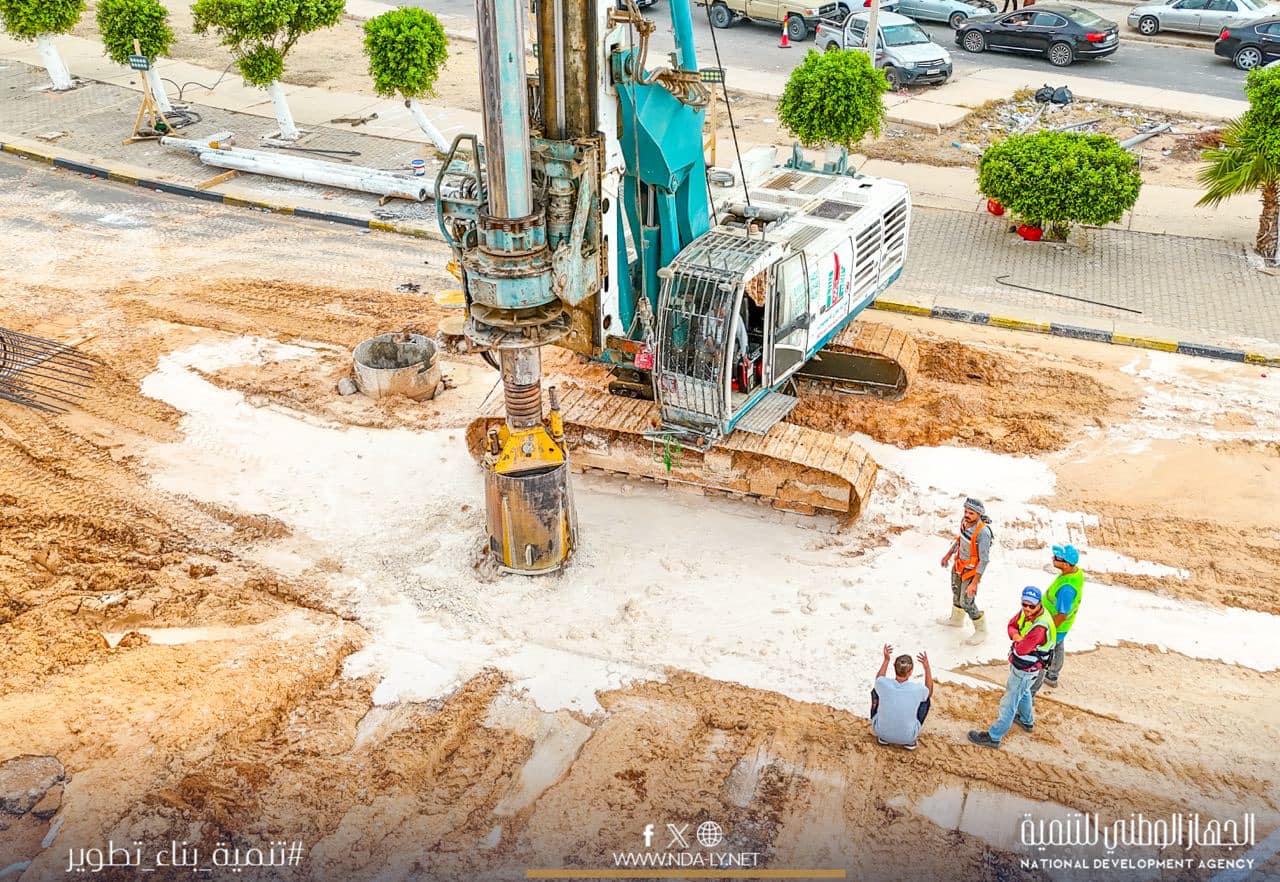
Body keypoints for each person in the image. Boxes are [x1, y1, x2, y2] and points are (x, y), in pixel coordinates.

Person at [968, 587, 1057, 749]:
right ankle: (1026, 720)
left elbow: (1023, 649)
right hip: (1026, 667)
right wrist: (1017, 637)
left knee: (1008, 703)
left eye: (1031, 606)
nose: (1027, 608)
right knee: (1024, 692)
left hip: (1025, 669)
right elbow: (1011, 625)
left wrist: (1018, 641)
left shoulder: (1040, 627)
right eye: (1025, 604)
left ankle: (994, 736)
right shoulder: (1029, 612)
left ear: (1039, 605)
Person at [938, 497, 993, 645]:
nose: (967, 515)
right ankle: (956, 619)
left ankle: (981, 630)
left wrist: (974, 583)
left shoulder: (983, 534)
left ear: (979, 515)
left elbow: (984, 560)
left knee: (966, 601)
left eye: (971, 513)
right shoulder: (965, 523)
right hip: (959, 565)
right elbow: (960, 540)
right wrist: (948, 555)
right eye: (966, 511)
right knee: (956, 592)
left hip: (971, 572)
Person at [1033, 543, 1084, 692]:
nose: (1053, 558)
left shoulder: (1066, 589)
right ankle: (1053, 673)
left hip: (1056, 625)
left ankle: (1049, 675)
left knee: (1049, 648)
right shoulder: (1074, 573)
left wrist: (1047, 629)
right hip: (1058, 624)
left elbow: (1062, 614)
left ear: (1067, 565)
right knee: (1058, 646)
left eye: (1057, 558)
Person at [871, 644, 934, 750]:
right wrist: (927, 668)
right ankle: (909, 742)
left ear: (894, 666)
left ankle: (884, 739)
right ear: (910, 672)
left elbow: (879, 679)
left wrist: (886, 660)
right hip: (908, 737)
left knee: (876, 691)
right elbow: (929, 692)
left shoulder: (883, 683)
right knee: (925, 700)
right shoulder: (917, 689)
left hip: (880, 732)